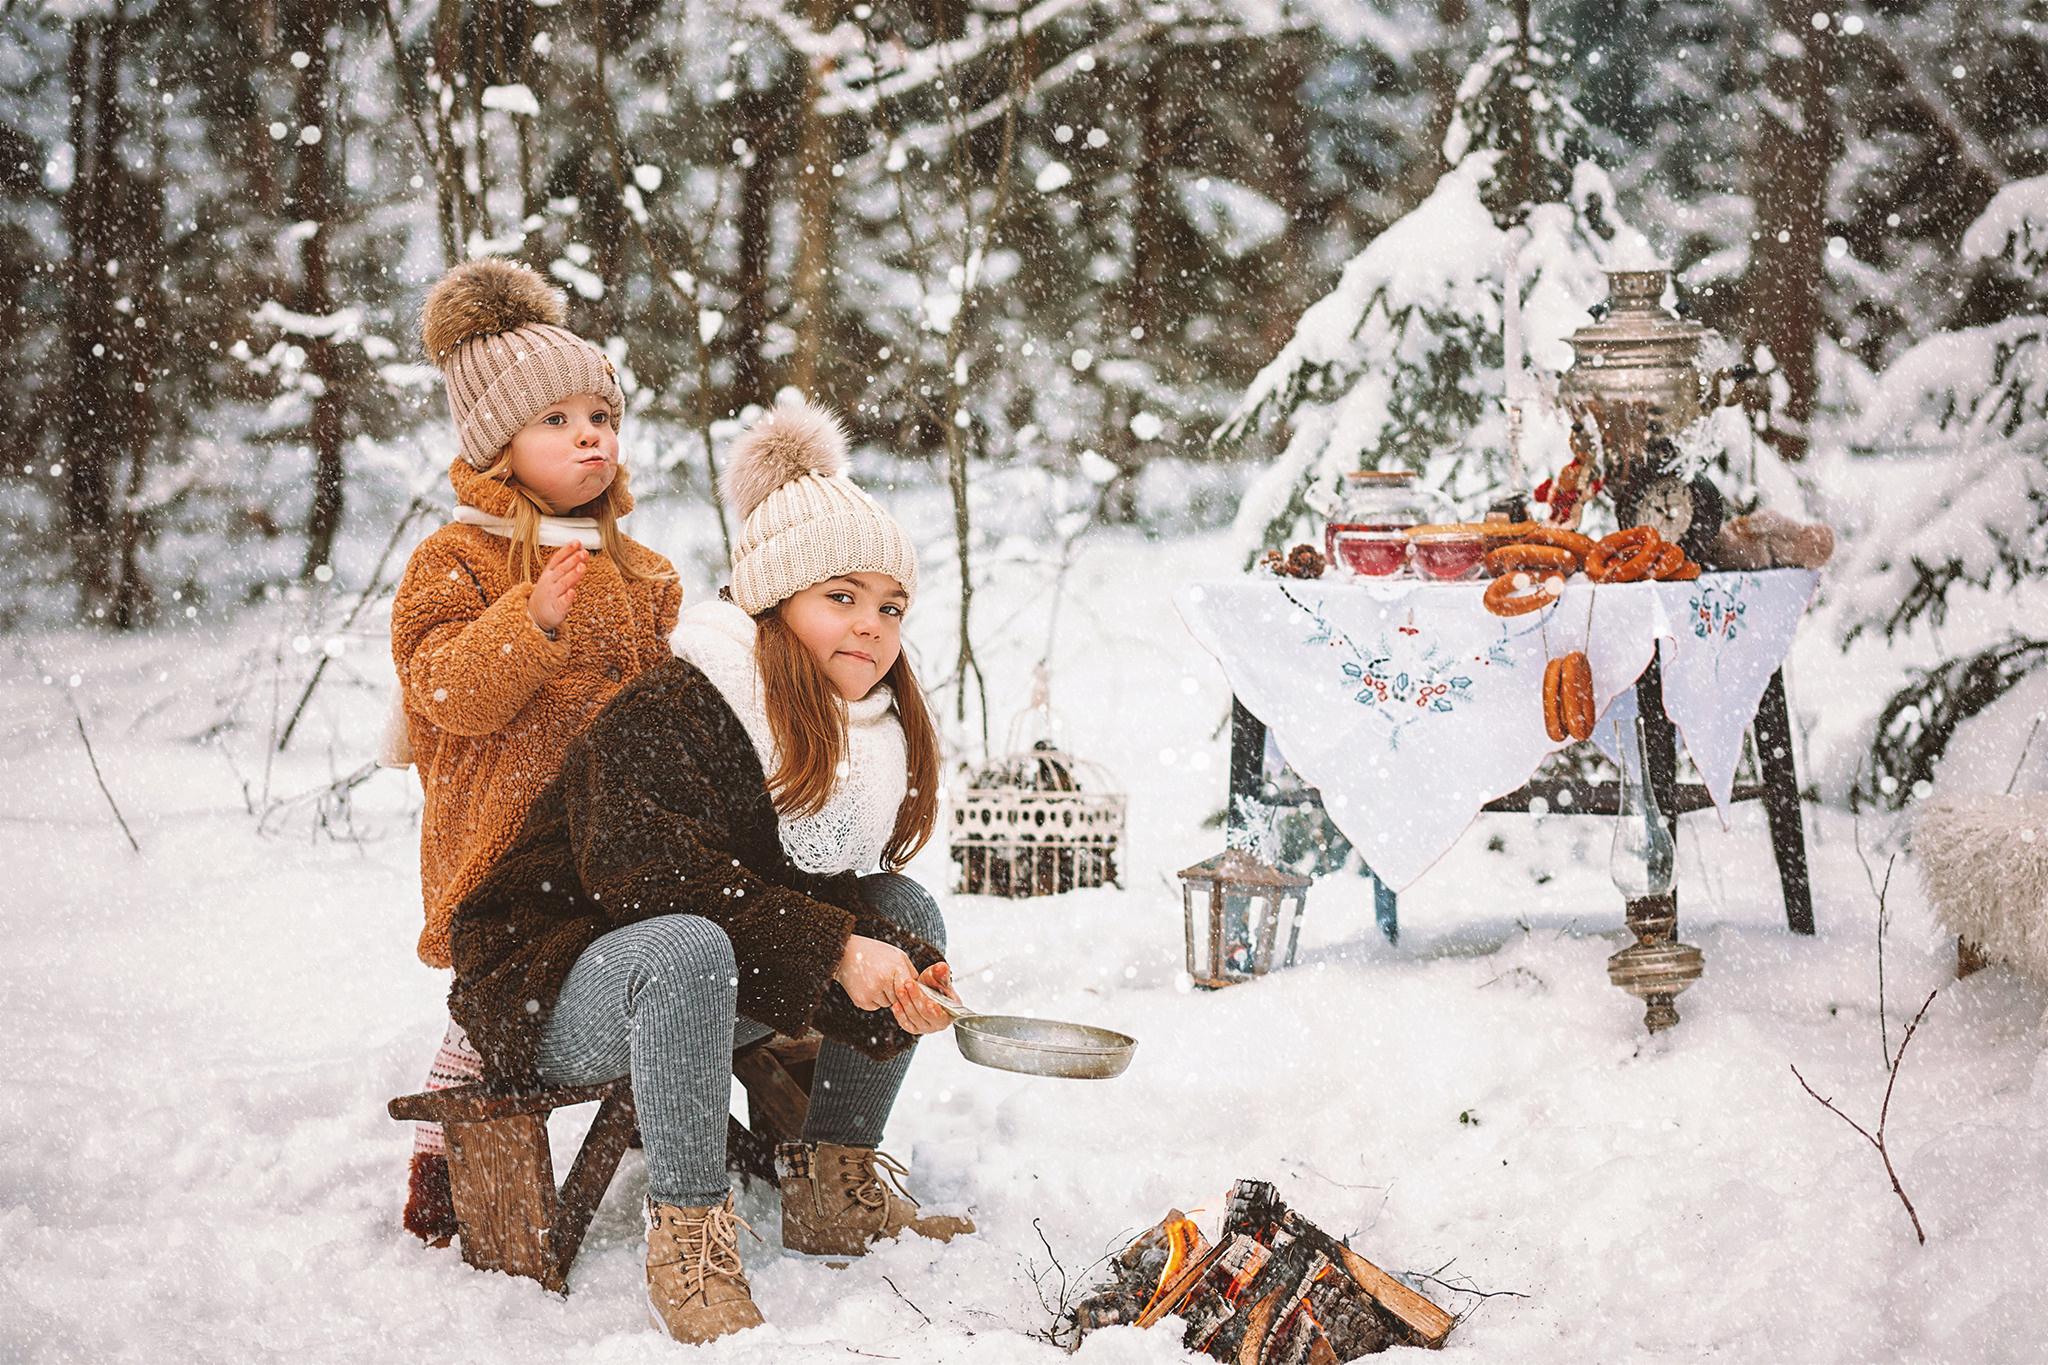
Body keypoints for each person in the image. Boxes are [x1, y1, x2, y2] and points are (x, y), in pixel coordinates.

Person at [447, 398, 970, 1344]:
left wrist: (888, 959)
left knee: (903, 905)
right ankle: (689, 1235)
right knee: (689, 944)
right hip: (552, 978)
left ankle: (835, 1181)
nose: (872, 626)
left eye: (891, 605)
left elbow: (831, 890)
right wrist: (833, 949)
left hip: (707, 973)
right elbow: (646, 882)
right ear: (774, 602)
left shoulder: (852, 727)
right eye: (840, 597)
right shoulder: (675, 706)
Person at [387, 258, 681, 1243]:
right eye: (554, 420)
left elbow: (658, 694)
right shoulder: (456, 560)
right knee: (492, 1005)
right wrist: (530, 621)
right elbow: (443, 691)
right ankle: (444, 1154)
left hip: (613, 830)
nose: (587, 433)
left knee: (628, 946)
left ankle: (671, 1099)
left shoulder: (639, 571)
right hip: (505, 837)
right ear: (499, 447)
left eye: (599, 414)